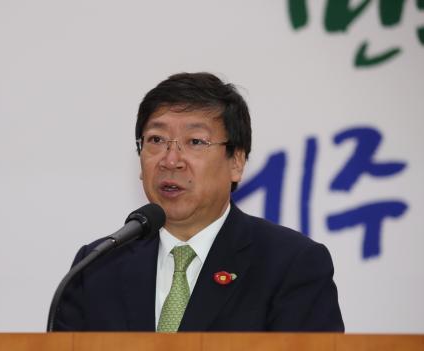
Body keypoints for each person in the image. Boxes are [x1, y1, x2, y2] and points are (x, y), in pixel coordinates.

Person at [54, 72, 344, 332]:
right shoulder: (97, 266)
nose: (170, 160)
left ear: (236, 161)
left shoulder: (291, 264)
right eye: (156, 140)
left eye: (195, 142)